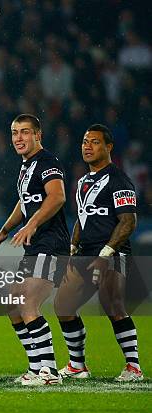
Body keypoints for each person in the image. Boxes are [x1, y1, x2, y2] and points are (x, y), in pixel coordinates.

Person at [54, 124, 143, 382]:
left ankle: (133, 367)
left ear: (108, 147)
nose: (87, 146)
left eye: (94, 142)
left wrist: (106, 252)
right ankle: (77, 365)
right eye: (84, 142)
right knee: (63, 305)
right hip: (85, 252)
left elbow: (128, 222)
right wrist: (72, 247)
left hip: (111, 252)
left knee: (113, 305)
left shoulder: (119, 180)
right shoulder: (83, 181)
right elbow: (82, 219)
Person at [0, 114, 69, 386]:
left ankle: (50, 371)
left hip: (51, 244)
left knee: (27, 302)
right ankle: (36, 368)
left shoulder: (47, 161)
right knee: (13, 304)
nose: (18, 138)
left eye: (24, 132)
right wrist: (5, 230)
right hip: (35, 246)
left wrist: (32, 225)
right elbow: (25, 202)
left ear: (38, 135)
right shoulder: (26, 167)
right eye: (14, 133)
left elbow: (57, 197)